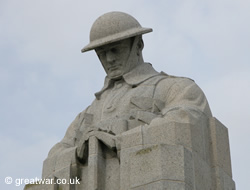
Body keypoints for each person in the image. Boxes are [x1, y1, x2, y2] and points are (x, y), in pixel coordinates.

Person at [42, 11, 212, 189]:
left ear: (138, 45)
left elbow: (185, 125)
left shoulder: (176, 88)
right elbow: (55, 155)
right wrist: (79, 151)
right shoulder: (87, 114)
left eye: (116, 49)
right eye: (102, 53)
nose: (109, 59)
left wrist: (121, 134)